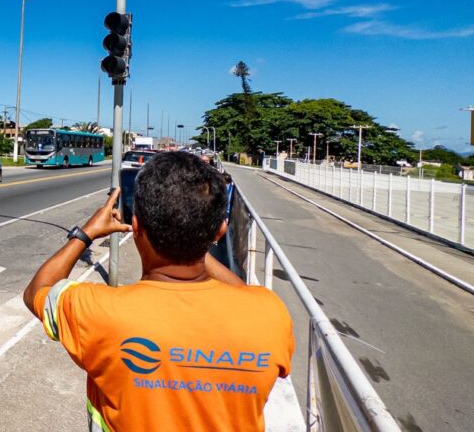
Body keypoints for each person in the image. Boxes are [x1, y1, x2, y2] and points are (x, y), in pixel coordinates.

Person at [23, 151, 294, 431]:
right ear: (221, 231)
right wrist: (195, 238)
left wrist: (86, 233)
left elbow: (37, 290)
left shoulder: (99, 312)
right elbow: (244, 295)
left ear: (136, 228)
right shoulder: (270, 314)